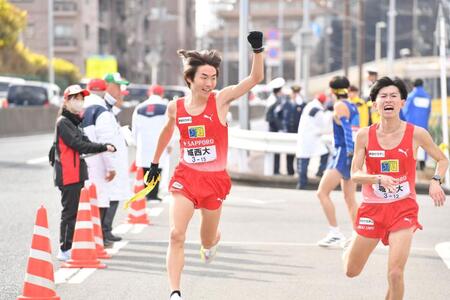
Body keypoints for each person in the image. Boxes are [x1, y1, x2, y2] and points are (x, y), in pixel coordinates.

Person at [144, 31, 264, 300]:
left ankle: (211, 242)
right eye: (203, 78)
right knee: (176, 234)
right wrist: (154, 164)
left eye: (213, 78)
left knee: (207, 239)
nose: (209, 83)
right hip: (186, 177)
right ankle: (175, 292)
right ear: (190, 79)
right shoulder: (175, 107)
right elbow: (166, 132)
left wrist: (258, 51)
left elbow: (254, 79)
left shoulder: (220, 100)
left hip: (214, 180)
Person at [343, 76, 448, 300]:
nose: (388, 100)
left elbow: (442, 160)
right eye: (383, 96)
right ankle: (353, 242)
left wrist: (436, 180)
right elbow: (355, 174)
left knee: (395, 273)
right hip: (372, 209)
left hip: (403, 209)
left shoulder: (417, 133)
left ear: (402, 103)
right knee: (351, 271)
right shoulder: (365, 135)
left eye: (394, 96)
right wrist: (377, 179)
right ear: (375, 103)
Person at [53, 84, 116, 261]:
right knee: (70, 213)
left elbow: (86, 142)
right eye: (75, 98)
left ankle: (71, 246)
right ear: (66, 101)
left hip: (76, 173)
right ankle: (64, 248)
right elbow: (78, 145)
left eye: (81, 99)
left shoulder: (74, 122)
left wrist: (102, 147)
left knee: (75, 212)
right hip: (68, 174)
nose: (79, 102)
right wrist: (104, 146)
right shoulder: (64, 123)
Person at [82, 73, 131, 244]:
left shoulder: (89, 107)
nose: (120, 91)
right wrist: (111, 166)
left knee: (98, 198)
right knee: (105, 198)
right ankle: (102, 233)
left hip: (91, 161)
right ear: (106, 87)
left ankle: (100, 233)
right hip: (101, 162)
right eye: (117, 87)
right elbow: (106, 140)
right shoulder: (100, 109)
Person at [316, 76, 360, 247]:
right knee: (349, 197)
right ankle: (358, 235)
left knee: (322, 192)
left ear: (333, 90)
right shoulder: (352, 105)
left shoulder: (339, 106)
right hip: (350, 152)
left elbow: (348, 131)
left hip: (344, 153)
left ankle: (335, 233)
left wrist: (349, 152)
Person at [132, 84, 170, 200]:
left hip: (143, 142)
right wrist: (170, 144)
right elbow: (170, 127)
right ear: (162, 94)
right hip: (159, 142)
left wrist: (136, 142)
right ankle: (153, 193)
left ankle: (146, 192)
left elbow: (134, 128)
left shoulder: (139, 107)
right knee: (157, 165)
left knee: (144, 165)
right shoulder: (166, 107)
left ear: (149, 93)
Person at [295, 93, 331, 189]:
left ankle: (302, 183)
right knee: (325, 154)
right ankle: (319, 172)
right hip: (312, 137)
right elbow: (323, 124)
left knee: (304, 159)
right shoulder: (318, 110)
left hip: (305, 137)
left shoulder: (310, 105)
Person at [402, 78, 432, 170]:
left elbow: (405, 111)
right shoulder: (427, 97)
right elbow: (428, 111)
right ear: (422, 85)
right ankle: (422, 164)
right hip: (423, 124)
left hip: (411, 125)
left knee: (411, 144)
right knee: (423, 143)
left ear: (413, 85)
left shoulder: (411, 97)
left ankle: (412, 165)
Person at [282, 85, 306, 175]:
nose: (295, 95)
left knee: (299, 152)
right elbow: (281, 115)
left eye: (297, 93)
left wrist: (300, 104)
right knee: (289, 154)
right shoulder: (286, 103)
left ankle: (299, 172)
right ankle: (290, 171)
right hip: (289, 131)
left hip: (299, 131)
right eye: (294, 93)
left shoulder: (302, 104)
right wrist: (283, 127)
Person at [265, 77, 286, 175]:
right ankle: (275, 170)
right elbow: (271, 117)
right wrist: (280, 127)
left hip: (276, 128)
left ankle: (276, 170)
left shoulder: (277, 99)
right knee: (274, 151)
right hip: (273, 128)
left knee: (277, 151)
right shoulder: (273, 100)